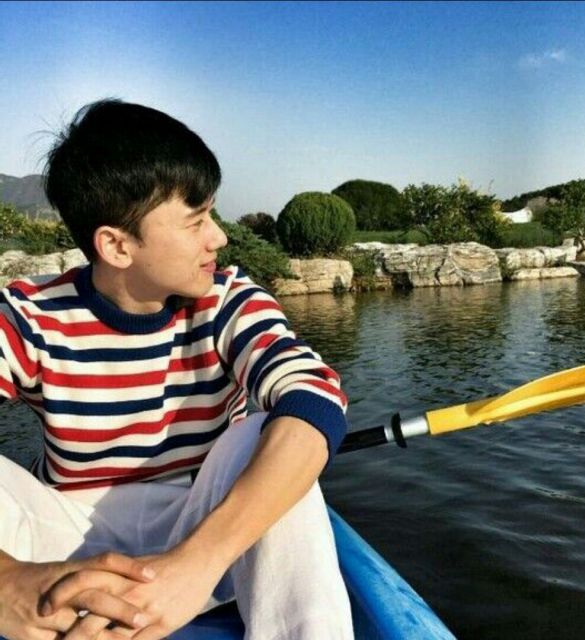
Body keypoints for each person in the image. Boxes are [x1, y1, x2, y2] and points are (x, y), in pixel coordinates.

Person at [0, 99, 354, 640]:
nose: (219, 237)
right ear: (116, 245)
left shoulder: (227, 301)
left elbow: (315, 395)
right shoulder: (30, 316)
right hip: (63, 541)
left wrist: (195, 564)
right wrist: (7, 581)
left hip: (203, 529)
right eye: (196, 221)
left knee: (268, 433)